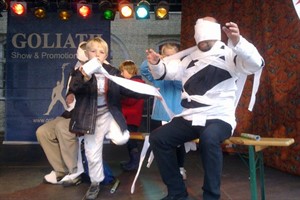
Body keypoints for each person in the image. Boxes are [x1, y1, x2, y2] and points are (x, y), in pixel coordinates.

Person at [146, 16, 264, 200]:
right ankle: (177, 193)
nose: (203, 40)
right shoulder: (187, 59)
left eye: (207, 35)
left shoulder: (231, 55)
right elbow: (166, 73)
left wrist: (238, 41)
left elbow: (255, 64)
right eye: (199, 35)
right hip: (190, 116)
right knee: (158, 138)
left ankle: (211, 196)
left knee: (209, 138)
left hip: (219, 117)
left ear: (216, 33)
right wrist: (156, 64)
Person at [68, 37, 148, 200]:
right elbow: (74, 88)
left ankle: (110, 134)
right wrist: (85, 78)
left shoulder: (112, 72)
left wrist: (147, 92)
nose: (97, 54)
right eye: (93, 51)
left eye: (101, 51)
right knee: (92, 153)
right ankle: (95, 183)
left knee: (122, 138)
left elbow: (126, 89)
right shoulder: (80, 71)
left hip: (109, 114)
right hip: (91, 119)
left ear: (106, 55)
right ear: (87, 54)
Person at [36, 41, 88, 186]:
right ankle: (61, 171)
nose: (82, 52)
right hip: (70, 112)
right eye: (81, 49)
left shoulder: (98, 68)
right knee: (43, 132)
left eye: (86, 49)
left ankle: (74, 172)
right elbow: (72, 88)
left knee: (63, 128)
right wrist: (70, 94)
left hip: (87, 114)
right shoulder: (75, 68)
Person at [140, 43, 187, 180]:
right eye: (166, 55)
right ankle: (169, 170)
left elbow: (183, 84)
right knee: (163, 145)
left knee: (179, 144)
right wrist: (155, 59)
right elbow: (143, 70)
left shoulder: (181, 72)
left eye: (173, 56)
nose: (169, 58)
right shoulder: (156, 75)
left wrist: (171, 72)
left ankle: (180, 167)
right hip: (160, 114)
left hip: (179, 114)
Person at [119, 60, 145, 171]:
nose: (121, 74)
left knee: (131, 140)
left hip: (130, 116)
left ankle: (135, 163)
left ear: (129, 70)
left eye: (122, 71)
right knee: (130, 140)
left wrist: (118, 95)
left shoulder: (136, 84)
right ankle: (133, 162)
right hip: (130, 116)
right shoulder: (136, 83)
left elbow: (130, 101)